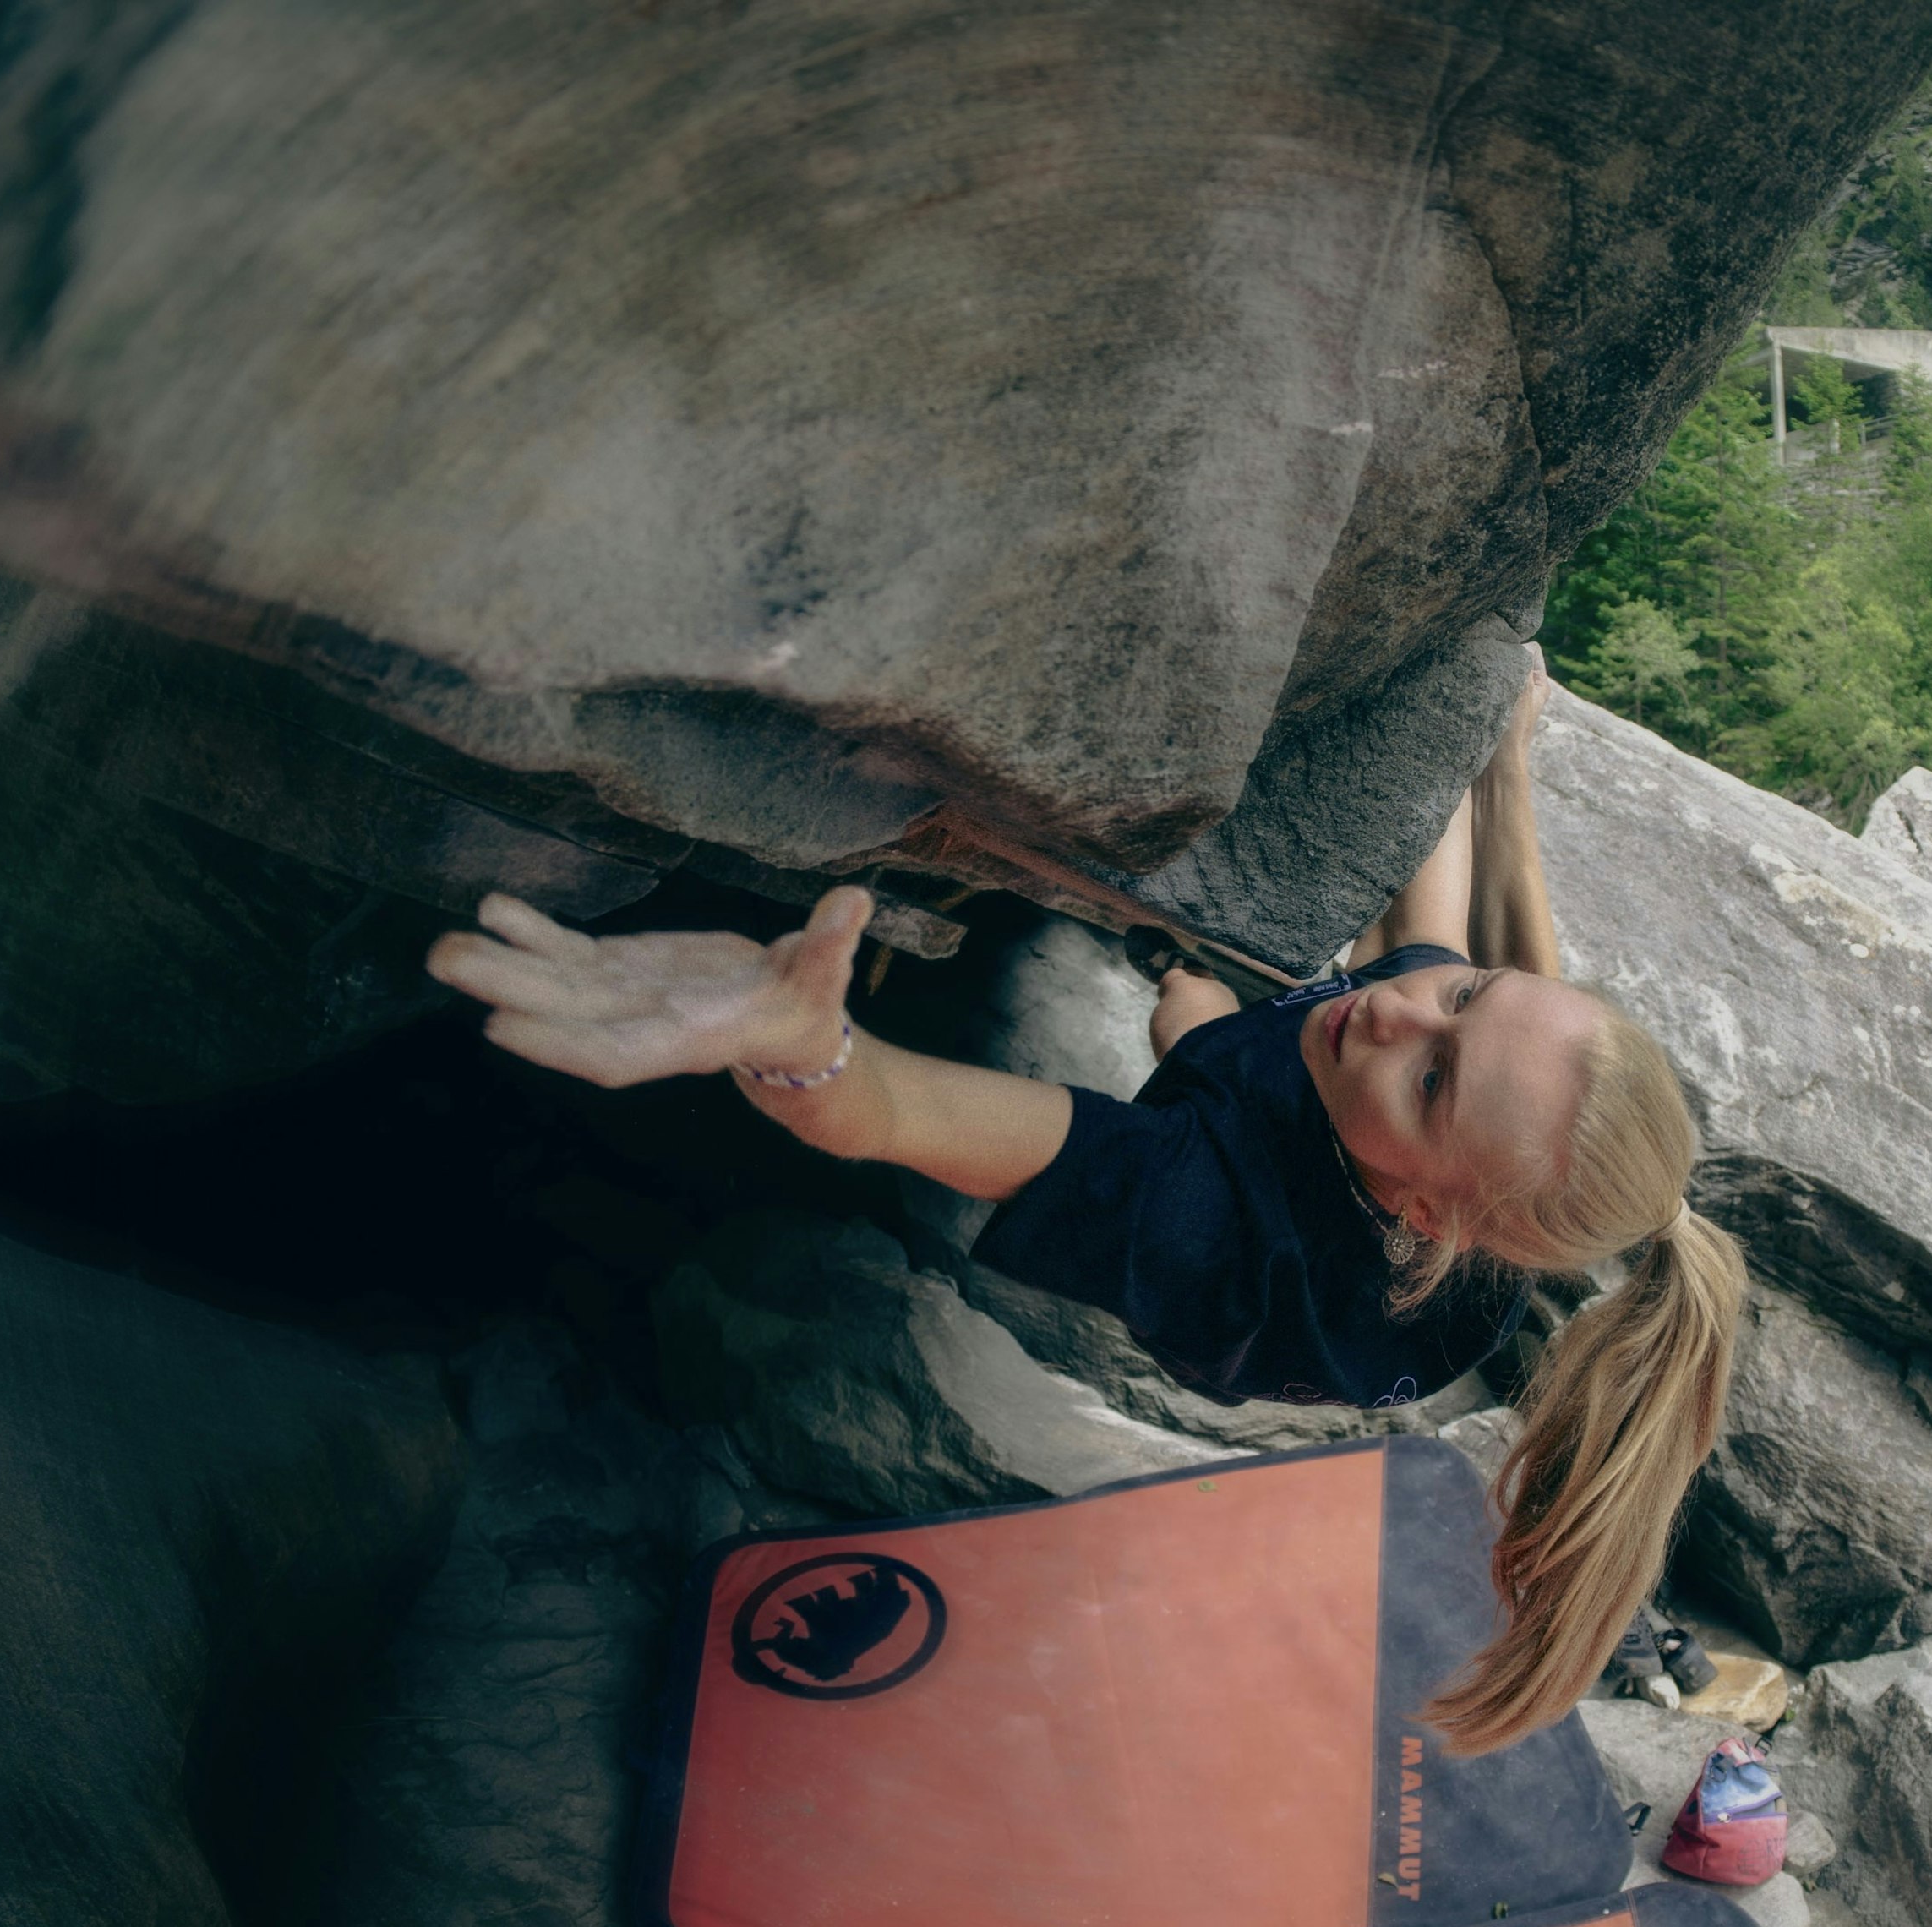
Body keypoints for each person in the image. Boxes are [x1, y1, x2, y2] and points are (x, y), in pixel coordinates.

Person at [426, 658, 1746, 1755]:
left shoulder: (1201, 1227)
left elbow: (902, 1113)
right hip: (1372, 1200)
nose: (1394, 1013)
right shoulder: (1418, 1081)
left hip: (1262, 1290)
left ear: (1427, 1212)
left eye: (1435, 1074)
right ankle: (1464, 843)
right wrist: (1477, 737)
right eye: (1462, 1011)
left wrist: (788, 1036)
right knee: (1369, 1006)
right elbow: (1436, 946)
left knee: (1197, 1026)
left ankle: (1220, 1026)